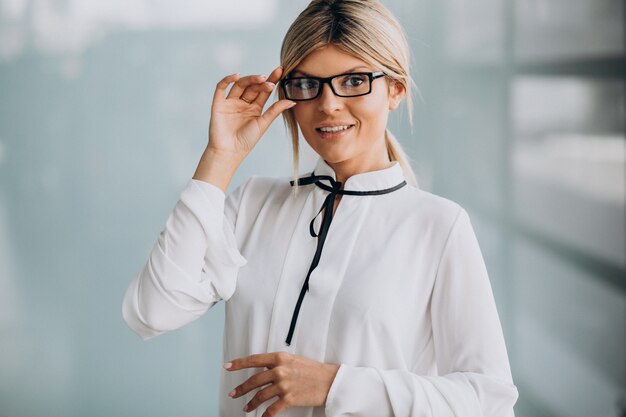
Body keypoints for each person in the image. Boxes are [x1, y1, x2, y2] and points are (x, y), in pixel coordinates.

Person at [122, 0, 519, 416]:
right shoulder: (251, 204)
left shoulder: (438, 226)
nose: (328, 104)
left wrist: (336, 384)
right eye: (308, 84)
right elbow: (151, 311)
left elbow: (488, 402)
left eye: (353, 81)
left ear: (395, 90)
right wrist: (220, 158)